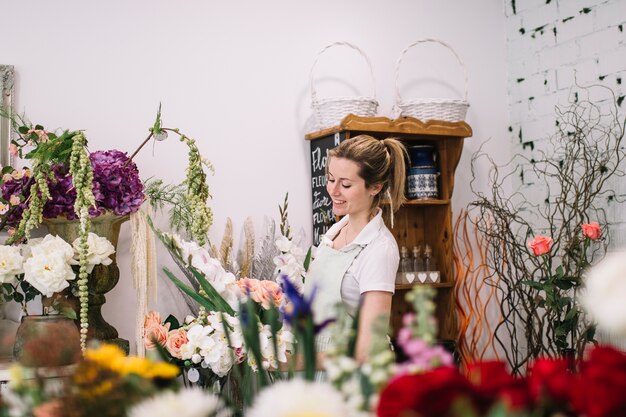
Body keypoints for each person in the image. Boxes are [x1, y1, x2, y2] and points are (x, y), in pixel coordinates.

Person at [304, 134, 407, 362]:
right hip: (318, 373)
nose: (333, 191)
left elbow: (367, 352)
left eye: (346, 184)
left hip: (350, 381)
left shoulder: (379, 250)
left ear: (375, 187)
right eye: (331, 179)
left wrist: (293, 362)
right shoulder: (333, 235)